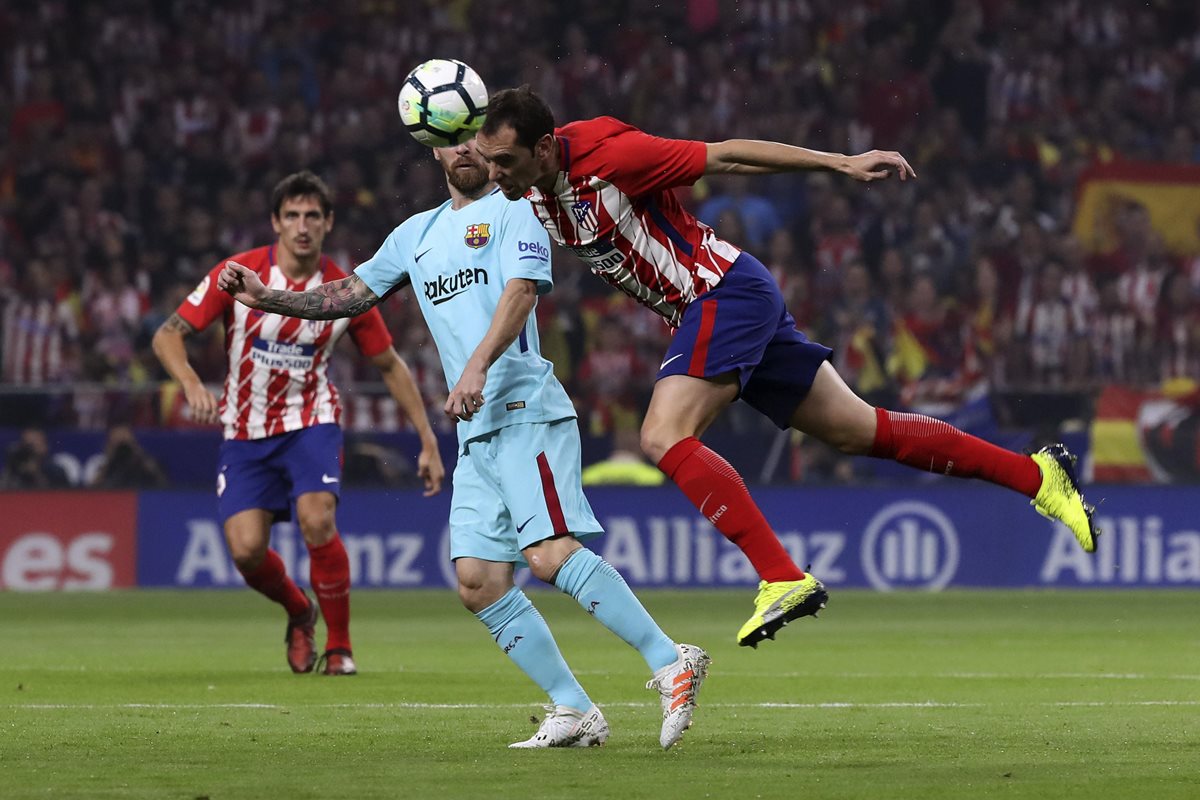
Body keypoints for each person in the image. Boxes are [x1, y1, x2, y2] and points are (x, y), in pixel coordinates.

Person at [473, 86, 1100, 648]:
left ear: (548, 148)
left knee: (662, 435)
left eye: (507, 161)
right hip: (727, 301)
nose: (498, 174)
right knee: (862, 430)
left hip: (720, 293)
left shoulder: (613, 159)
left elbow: (727, 156)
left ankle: (781, 577)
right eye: (490, 160)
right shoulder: (530, 184)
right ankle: (1039, 476)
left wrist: (837, 163)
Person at [217, 139, 709, 750]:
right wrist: (267, 298)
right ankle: (573, 707)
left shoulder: (518, 208)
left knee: (550, 554)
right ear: (434, 153)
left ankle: (671, 661)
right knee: (477, 580)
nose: (466, 151)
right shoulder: (415, 234)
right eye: (451, 142)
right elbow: (347, 294)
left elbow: (523, 291)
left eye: (476, 138)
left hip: (527, 409)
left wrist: (475, 366)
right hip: (475, 430)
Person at [152, 170, 445, 677]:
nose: (302, 225)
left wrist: (426, 438)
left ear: (328, 222)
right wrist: (191, 382)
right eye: (292, 215)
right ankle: (299, 610)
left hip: (312, 421)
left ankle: (341, 647)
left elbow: (390, 365)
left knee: (317, 520)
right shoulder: (236, 273)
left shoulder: (344, 291)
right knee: (245, 551)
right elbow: (168, 335)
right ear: (275, 222)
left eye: (313, 215)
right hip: (244, 430)